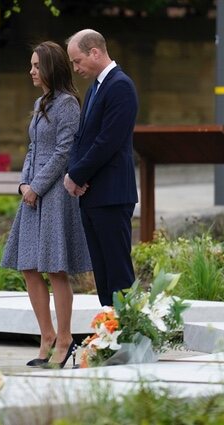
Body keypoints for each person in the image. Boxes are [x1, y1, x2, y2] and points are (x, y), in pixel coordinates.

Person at [1, 41, 92, 369]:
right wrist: (24, 183)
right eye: (31, 65)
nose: (32, 71)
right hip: (32, 194)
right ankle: (47, 335)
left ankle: (65, 337)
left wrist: (37, 187)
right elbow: (33, 147)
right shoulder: (41, 102)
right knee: (28, 266)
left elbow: (64, 152)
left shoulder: (68, 104)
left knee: (55, 268)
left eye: (37, 66)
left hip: (54, 196)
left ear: (52, 67)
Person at [63, 29, 138, 307]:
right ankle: (110, 333)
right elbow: (82, 137)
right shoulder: (96, 87)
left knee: (118, 273)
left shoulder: (120, 85)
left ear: (95, 52)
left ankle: (129, 338)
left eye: (77, 60)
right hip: (92, 194)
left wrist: (77, 175)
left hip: (112, 194)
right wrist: (73, 173)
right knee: (103, 275)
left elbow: (109, 140)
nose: (75, 67)